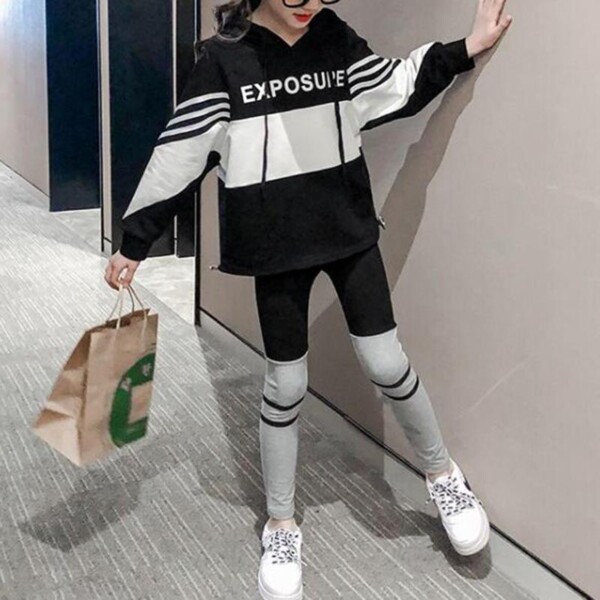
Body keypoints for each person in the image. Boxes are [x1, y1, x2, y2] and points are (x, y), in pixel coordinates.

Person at [105, 0, 512, 598]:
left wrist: (465, 49)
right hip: (276, 249)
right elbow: (180, 154)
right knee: (286, 385)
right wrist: (134, 242)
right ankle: (280, 524)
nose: (310, 7)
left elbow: (394, 85)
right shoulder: (221, 61)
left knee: (386, 362)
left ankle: (442, 474)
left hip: (348, 234)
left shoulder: (333, 38)